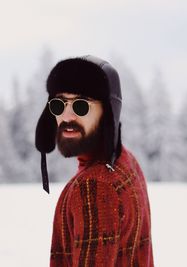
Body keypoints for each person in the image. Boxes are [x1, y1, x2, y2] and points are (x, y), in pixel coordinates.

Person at [35, 55, 154, 266]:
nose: (67, 116)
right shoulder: (126, 160)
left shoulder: (94, 187)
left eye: (81, 105)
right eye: (59, 104)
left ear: (107, 113)